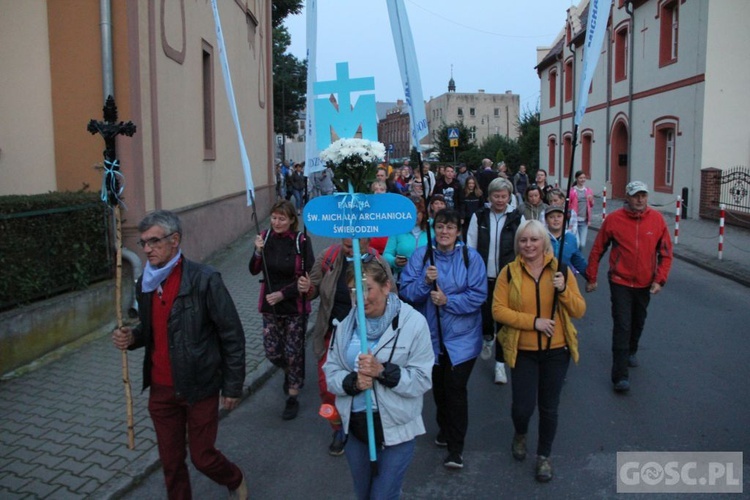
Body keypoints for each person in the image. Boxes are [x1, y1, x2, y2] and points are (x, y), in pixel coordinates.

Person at [111, 210, 248, 499]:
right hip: (161, 391)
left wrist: (233, 386)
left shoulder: (204, 279)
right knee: (171, 462)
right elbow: (150, 331)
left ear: (175, 240)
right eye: (143, 243)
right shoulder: (145, 283)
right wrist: (131, 337)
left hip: (199, 386)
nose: (147, 249)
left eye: (153, 242)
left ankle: (234, 477)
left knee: (202, 457)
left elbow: (232, 335)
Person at [323, 257, 433, 499]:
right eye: (353, 291)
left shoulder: (414, 324)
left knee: (382, 496)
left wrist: (382, 372)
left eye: (366, 289)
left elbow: (422, 379)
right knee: (363, 494)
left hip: (397, 428)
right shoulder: (344, 326)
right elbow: (330, 372)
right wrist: (351, 382)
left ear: (386, 287)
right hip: (356, 427)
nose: (359, 298)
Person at [492, 220, 585, 483]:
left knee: (549, 407)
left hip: (557, 351)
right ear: (517, 244)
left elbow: (579, 310)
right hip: (523, 351)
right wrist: (534, 322)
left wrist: (564, 290)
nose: (529, 245)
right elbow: (497, 310)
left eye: (534, 240)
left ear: (545, 242)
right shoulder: (509, 273)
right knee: (522, 407)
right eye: (524, 240)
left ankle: (544, 456)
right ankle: (520, 432)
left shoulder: (561, 271)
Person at [399, 209, 488, 469]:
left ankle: (455, 448)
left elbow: (478, 295)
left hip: (463, 338)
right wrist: (426, 281)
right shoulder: (422, 256)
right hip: (430, 337)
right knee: (438, 388)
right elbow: (407, 292)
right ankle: (444, 427)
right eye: (440, 227)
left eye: (450, 227)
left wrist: (449, 301)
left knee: (455, 389)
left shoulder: (471, 258)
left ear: (458, 231)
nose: (444, 232)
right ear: (433, 229)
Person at [298, 238, 396, 456]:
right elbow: (312, 290)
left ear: (367, 241)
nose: (349, 249)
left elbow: (392, 297)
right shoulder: (329, 257)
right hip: (332, 333)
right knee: (327, 386)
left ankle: (367, 425)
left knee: (365, 382)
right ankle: (337, 427)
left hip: (367, 334)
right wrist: (307, 288)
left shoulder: (378, 262)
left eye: (355, 245)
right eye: (346, 245)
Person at [585, 181, 673, 393]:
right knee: (622, 325)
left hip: (645, 282)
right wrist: (592, 276)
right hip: (620, 281)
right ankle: (620, 375)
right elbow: (598, 249)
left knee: (638, 321)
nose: (640, 199)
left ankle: (632, 349)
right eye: (635, 195)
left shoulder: (657, 220)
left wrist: (659, 279)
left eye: (643, 195)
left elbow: (666, 254)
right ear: (627, 197)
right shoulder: (614, 220)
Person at [249, 200, 314, 420]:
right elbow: (253, 270)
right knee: (272, 351)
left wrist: (283, 294)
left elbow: (308, 276)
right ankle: (289, 370)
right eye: (274, 217)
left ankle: (293, 396)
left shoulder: (301, 241)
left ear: (292, 220)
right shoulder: (265, 237)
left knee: (294, 352)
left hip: (294, 305)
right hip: (269, 305)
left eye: (282, 218)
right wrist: (258, 252)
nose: (277, 222)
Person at [465, 178, 523, 384]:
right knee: (486, 315)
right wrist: (472, 271)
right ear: (489, 197)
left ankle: (500, 365)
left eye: (504, 196)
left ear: (509, 197)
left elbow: (523, 246)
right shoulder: (479, 216)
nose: (500, 200)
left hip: (507, 278)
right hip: (483, 276)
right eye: (496, 196)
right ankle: (487, 337)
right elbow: (470, 245)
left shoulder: (517, 218)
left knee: (504, 321)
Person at [383, 196, 430, 283]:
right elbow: (386, 254)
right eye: (411, 212)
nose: (415, 216)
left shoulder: (432, 230)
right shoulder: (397, 229)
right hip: (402, 279)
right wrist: (394, 261)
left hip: (427, 278)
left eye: (418, 212)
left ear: (423, 213)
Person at [545, 205, 588, 274]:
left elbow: (578, 260)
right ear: (546, 220)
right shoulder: (541, 237)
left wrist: (590, 278)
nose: (556, 219)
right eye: (551, 217)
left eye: (559, 216)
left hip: (565, 278)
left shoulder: (571, 238)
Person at [569, 171, 594, 250]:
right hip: (575, 220)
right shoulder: (572, 191)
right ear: (576, 179)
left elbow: (591, 205)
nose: (583, 180)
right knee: (577, 242)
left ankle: (577, 258)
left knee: (582, 244)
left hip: (584, 221)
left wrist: (591, 200)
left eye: (584, 178)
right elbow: (568, 205)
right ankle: (575, 259)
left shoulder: (588, 190)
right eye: (580, 178)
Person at [461, 177, 484, 241]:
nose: (471, 185)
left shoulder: (479, 193)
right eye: (469, 183)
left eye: (473, 183)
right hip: (466, 219)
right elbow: (462, 205)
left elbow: (482, 206)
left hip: (476, 218)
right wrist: (462, 217)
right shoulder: (463, 193)